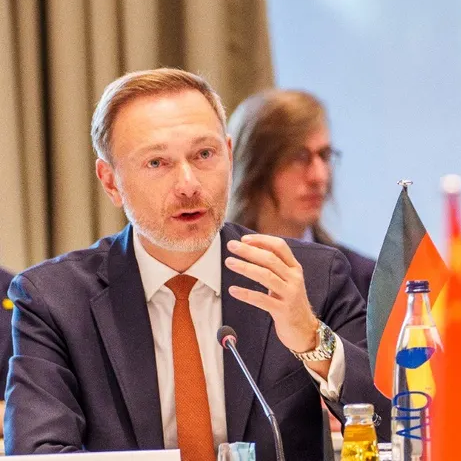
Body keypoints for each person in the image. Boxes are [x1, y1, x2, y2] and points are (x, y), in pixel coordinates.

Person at [4, 69, 390, 460]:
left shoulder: (308, 275)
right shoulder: (56, 301)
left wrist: (312, 340)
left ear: (229, 155)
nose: (188, 185)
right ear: (110, 181)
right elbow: (38, 455)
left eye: (204, 155)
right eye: (157, 162)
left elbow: (396, 425)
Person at [227, 89, 376, 300]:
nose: (319, 176)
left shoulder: (364, 282)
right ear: (254, 168)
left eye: (324, 155)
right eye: (299, 157)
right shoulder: (211, 276)